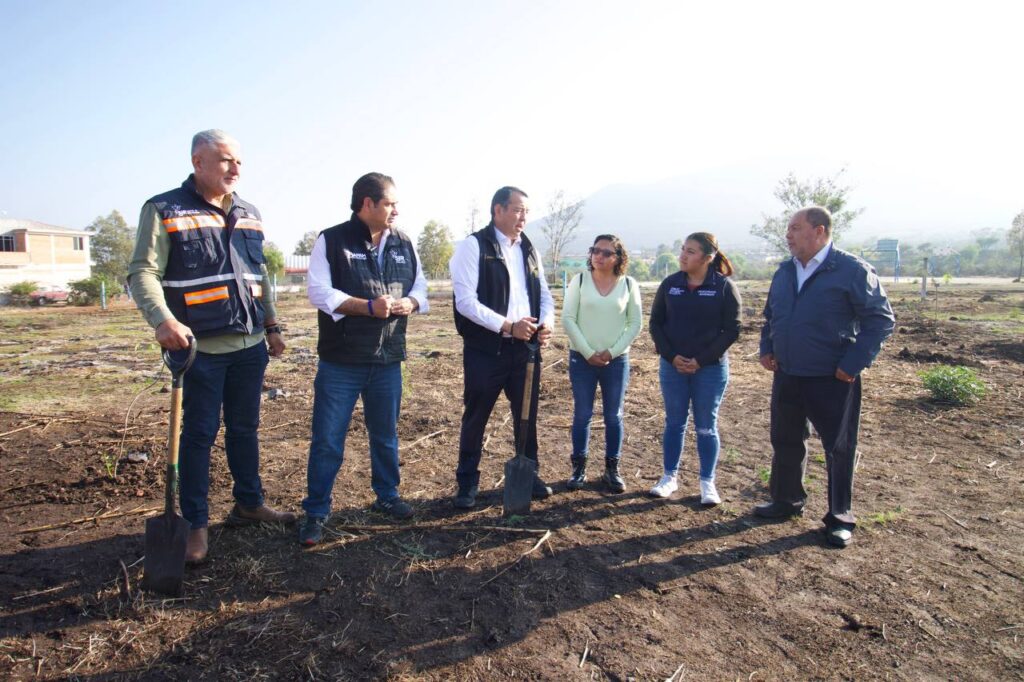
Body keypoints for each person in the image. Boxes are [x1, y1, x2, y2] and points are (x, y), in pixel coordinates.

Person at [128, 129, 296, 564]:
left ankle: (249, 503)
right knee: (199, 436)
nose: (235, 169)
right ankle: (195, 526)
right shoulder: (165, 209)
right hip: (198, 350)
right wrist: (162, 320)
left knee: (245, 429)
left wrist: (272, 325)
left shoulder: (249, 212)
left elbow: (260, 278)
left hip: (250, 346)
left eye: (238, 161)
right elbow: (142, 272)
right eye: (224, 161)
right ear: (198, 161)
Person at [298, 173, 429, 546]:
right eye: (389, 203)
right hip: (341, 362)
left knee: (385, 436)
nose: (396, 210)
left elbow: (421, 287)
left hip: (388, 359)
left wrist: (412, 302)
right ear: (367, 204)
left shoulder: (404, 242)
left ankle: (387, 497)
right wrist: (366, 307)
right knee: (328, 440)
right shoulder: (333, 239)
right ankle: (316, 511)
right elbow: (318, 292)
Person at [757, 207, 895, 548]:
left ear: (819, 231)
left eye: (794, 228)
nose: (787, 235)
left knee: (838, 447)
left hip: (832, 377)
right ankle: (786, 500)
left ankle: (839, 517)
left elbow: (881, 320)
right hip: (788, 373)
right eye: (787, 229)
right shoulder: (786, 271)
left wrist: (853, 363)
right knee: (786, 440)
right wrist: (767, 346)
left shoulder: (851, 270)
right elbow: (770, 314)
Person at [450, 186, 555, 509]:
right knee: (476, 416)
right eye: (518, 210)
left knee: (526, 416)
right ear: (498, 210)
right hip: (486, 350)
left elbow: (544, 294)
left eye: (526, 211)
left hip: (525, 350)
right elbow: (466, 303)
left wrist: (546, 323)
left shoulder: (528, 248)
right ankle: (467, 482)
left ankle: (529, 471)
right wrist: (508, 326)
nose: (524, 217)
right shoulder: (474, 247)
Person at [648, 233, 741, 505]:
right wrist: (672, 356)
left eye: (690, 251)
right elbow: (656, 323)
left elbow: (732, 329)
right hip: (672, 367)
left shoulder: (723, 287)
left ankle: (707, 483)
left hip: (710, 369)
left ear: (707, 258)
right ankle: (669, 478)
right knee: (674, 423)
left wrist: (701, 360)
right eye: (682, 250)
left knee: (705, 427)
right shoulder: (670, 284)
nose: (683, 256)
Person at [561, 235, 642, 492]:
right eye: (595, 250)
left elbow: (635, 324)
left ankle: (611, 470)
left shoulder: (629, 285)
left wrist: (613, 351)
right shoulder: (580, 281)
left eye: (606, 253)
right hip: (581, 360)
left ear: (618, 258)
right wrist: (586, 352)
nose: (599, 256)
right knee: (582, 414)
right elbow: (568, 318)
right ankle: (579, 469)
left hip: (616, 361)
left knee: (613, 415)